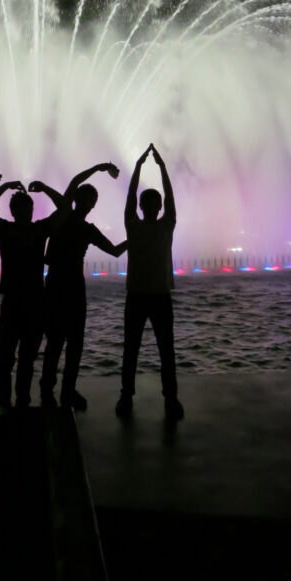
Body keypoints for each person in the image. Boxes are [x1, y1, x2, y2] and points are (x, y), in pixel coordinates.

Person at [37, 163, 127, 411]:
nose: (88, 203)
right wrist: (100, 167)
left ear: (93, 205)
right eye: (85, 198)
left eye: (92, 200)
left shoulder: (89, 230)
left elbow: (115, 251)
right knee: (56, 341)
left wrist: (138, 236)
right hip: (56, 284)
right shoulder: (63, 214)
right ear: (76, 199)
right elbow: (76, 179)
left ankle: (66, 391)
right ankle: (48, 389)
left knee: (75, 343)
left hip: (74, 287)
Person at [0, 178, 67, 408]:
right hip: (25, 301)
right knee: (14, 358)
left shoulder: (9, 230)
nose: (25, 211)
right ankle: (16, 400)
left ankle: (11, 400)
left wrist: (7, 187)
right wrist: (41, 188)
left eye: (27, 207)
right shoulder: (33, 230)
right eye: (22, 208)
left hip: (24, 302)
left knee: (14, 358)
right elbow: (65, 208)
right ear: (15, 211)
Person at [116, 144, 184, 421]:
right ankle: (126, 394)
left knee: (166, 349)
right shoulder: (132, 223)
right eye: (148, 203)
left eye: (155, 204)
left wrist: (162, 167)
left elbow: (170, 196)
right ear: (143, 206)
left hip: (158, 295)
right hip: (138, 295)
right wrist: (138, 167)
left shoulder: (168, 224)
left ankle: (170, 397)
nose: (152, 207)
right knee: (131, 348)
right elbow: (130, 195)